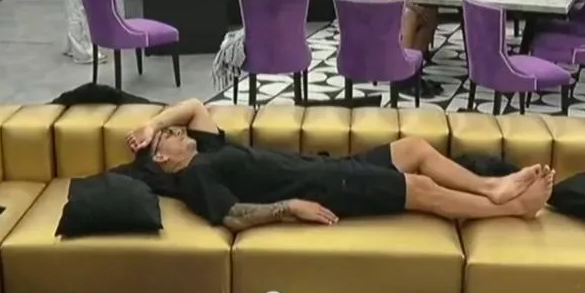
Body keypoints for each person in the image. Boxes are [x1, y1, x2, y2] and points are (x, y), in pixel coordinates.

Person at [124, 98, 555, 232]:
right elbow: (233, 215)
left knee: (414, 148)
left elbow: (193, 106)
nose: (178, 130)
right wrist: (289, 207)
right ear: (162, 158)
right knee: (419, 188)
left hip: (326, 167)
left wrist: (151, 125)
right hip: (327, 188)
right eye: (169, 136)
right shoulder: (195, 174)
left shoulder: (204, 147)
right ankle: (514, 207)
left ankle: (488, 187)